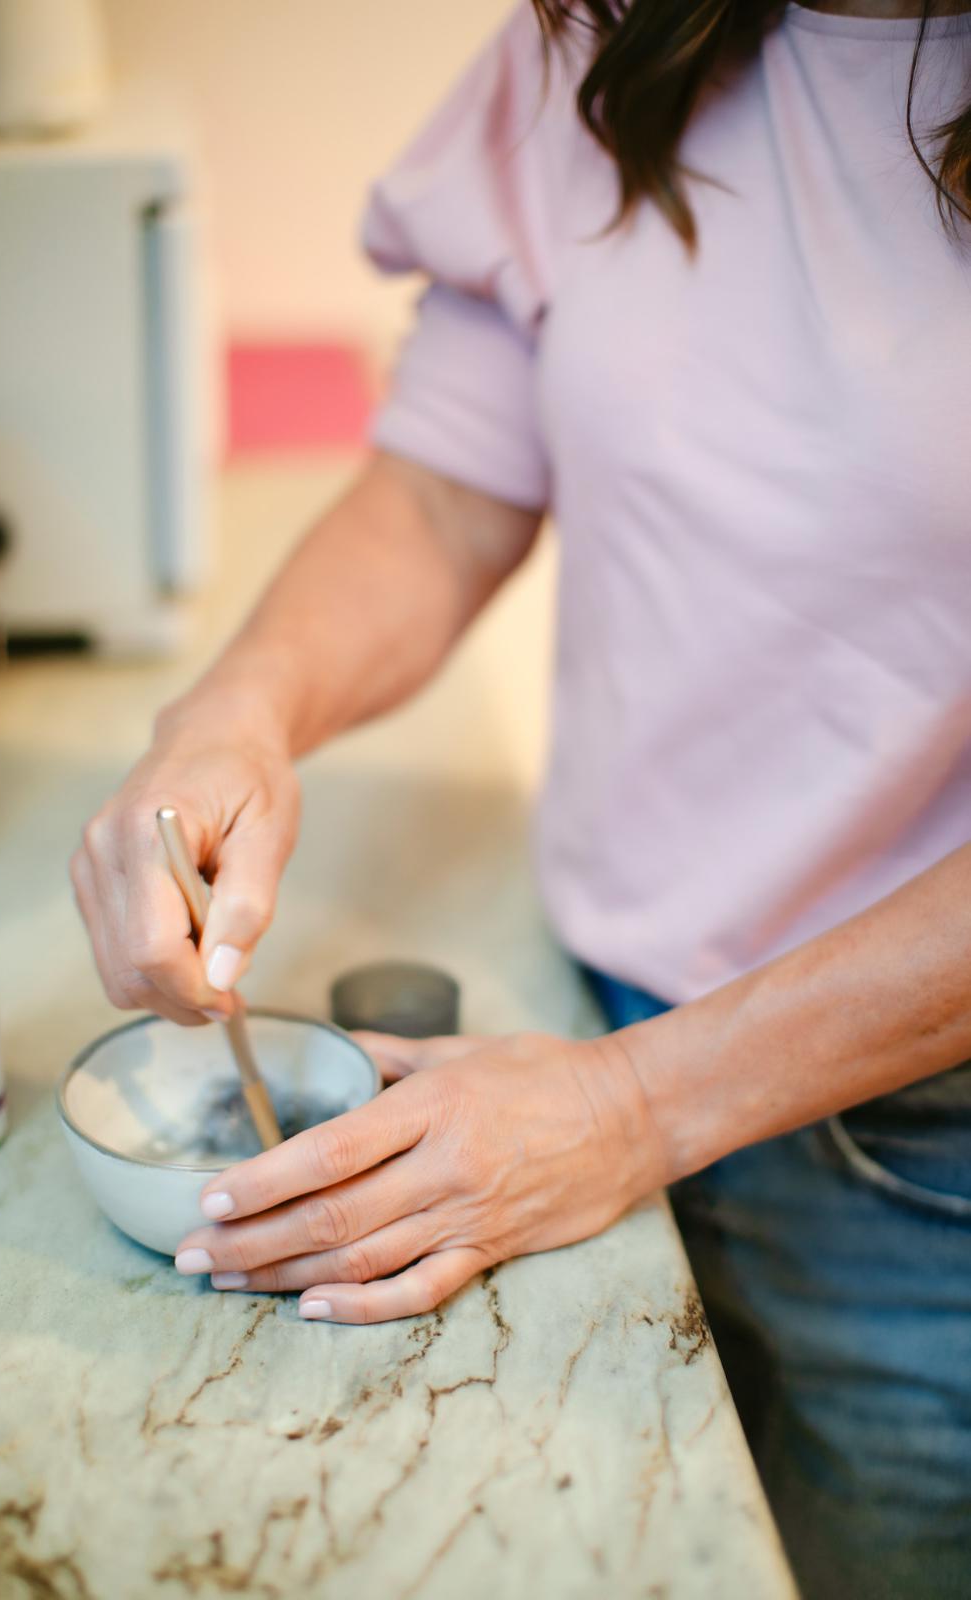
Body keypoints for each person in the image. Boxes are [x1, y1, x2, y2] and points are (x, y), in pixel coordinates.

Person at [72, 3, 971, 1593]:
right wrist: (236, 710)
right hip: (582, 1015)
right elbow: (446, 492)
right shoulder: (605, 38)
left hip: (921, 1159)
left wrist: (635, 1108)